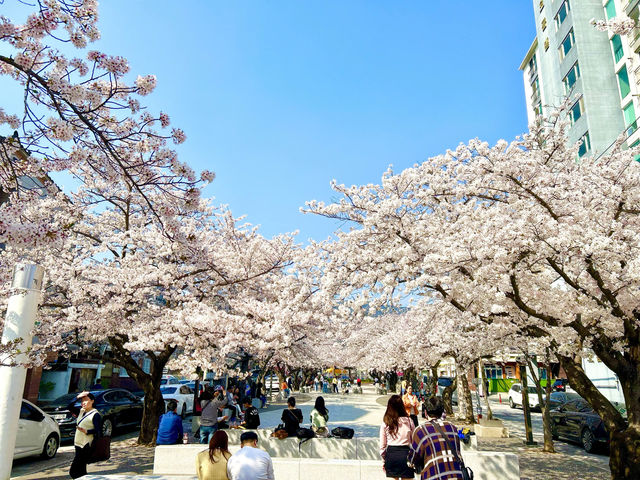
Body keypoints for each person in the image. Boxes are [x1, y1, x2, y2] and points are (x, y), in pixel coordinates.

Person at [408, 396, 464, 479]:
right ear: (442, 412)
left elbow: (413, 458)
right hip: (457, 475)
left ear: (425, 412)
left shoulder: (420, 430)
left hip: (434, 475)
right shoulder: (452, 427)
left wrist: (410, 462)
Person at [379, 394, 415, 480]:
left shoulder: (386, 422)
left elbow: (382, 446)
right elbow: (414, 441)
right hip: (406, 455)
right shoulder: (409, 421)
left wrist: (384, 460)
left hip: (391, 455)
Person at [69, 391, 103, 479]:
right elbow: (69, 406)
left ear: (92, 401)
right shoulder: (81, 411)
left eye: (86, 400)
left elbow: (98, 431)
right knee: (81, 470)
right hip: (78, 443)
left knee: (74, 471)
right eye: (82, 401)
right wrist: (78, 396)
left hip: (87, 445)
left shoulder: (95, 415)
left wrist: (87, 431)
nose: (83, 403)